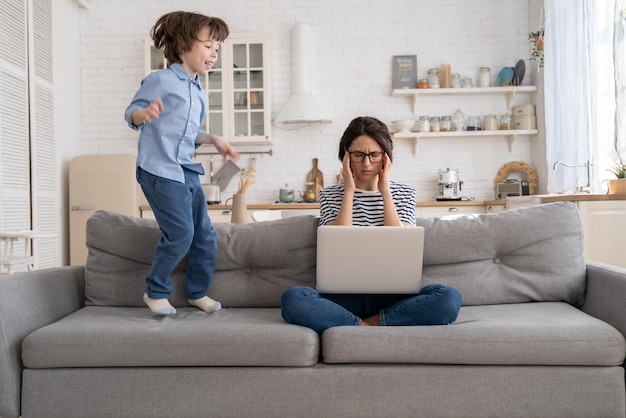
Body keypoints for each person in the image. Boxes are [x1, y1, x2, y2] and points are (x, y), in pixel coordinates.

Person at [281, 116, 462, 333]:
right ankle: (374, 324)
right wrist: (348, 190)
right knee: (293, 299)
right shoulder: (330, 195)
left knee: (448, 298)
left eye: (374, 155)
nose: (366, 163)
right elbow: (339, 246)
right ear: (346, 156)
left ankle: (360, 324)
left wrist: (385, 191)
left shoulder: (404, 193)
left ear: (386, 156)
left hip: (393, 297)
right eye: (358, 155)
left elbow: (400, 245)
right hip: (342, 297)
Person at [124, 11, 239, 316]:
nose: (214, 53)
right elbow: (132, 111)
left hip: (186, 170)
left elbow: (185, 132)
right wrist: (143, 114)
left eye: (217, 48)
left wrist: (212, 138)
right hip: (158, 169)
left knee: (204, 235)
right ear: (185, 45)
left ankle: (197, 293)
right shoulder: (160, 80)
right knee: (181, 234)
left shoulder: (198, 91)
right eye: (208, 45)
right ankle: (156, 291)